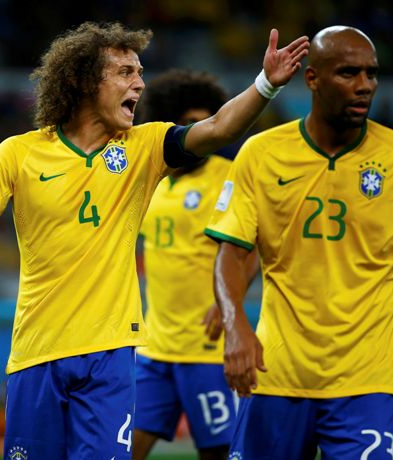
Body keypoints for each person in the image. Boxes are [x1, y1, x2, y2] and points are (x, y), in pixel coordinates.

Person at [0, 21, 309, 460]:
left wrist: (266, 84)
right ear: (84, 81)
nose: (140, 83)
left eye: (141, 72)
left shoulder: (145, 147)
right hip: (37, 353)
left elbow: (220, 128)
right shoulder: (18, 154)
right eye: (126, 72)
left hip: (110, 357)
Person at [205, 25, 393, 459]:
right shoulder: (260, 154)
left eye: (371, 74)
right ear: (312, 78)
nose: (365, 85)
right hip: (277, 372)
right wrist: (234, 321)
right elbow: (232, 252)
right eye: (348, 73)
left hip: (367, 379)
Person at [133, 69, 258, 460]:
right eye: (190, 123)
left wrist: (229, 302)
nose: (200, 130)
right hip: (155, 347)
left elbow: (253, 247)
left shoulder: (228, 176)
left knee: (218, 453)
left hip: (208, 349)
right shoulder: (151, 178)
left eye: (207, 120)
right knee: (120, 449)